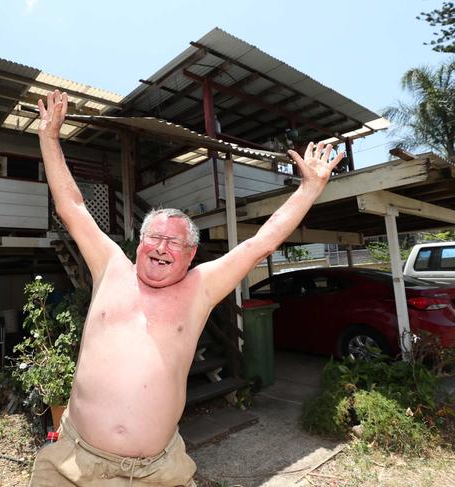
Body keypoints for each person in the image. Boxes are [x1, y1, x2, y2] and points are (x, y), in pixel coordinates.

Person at [30, 90, 344, 486]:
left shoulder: (200, 288)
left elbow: (259, 243)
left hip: (156, 472)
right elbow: (72, 207)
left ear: (191, 253)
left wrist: (309, 188)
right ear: (139, 243)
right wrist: (49, 138)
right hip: (74, 462)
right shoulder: (110, 266)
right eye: (153, 238)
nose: (161, 248)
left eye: (174, 242)